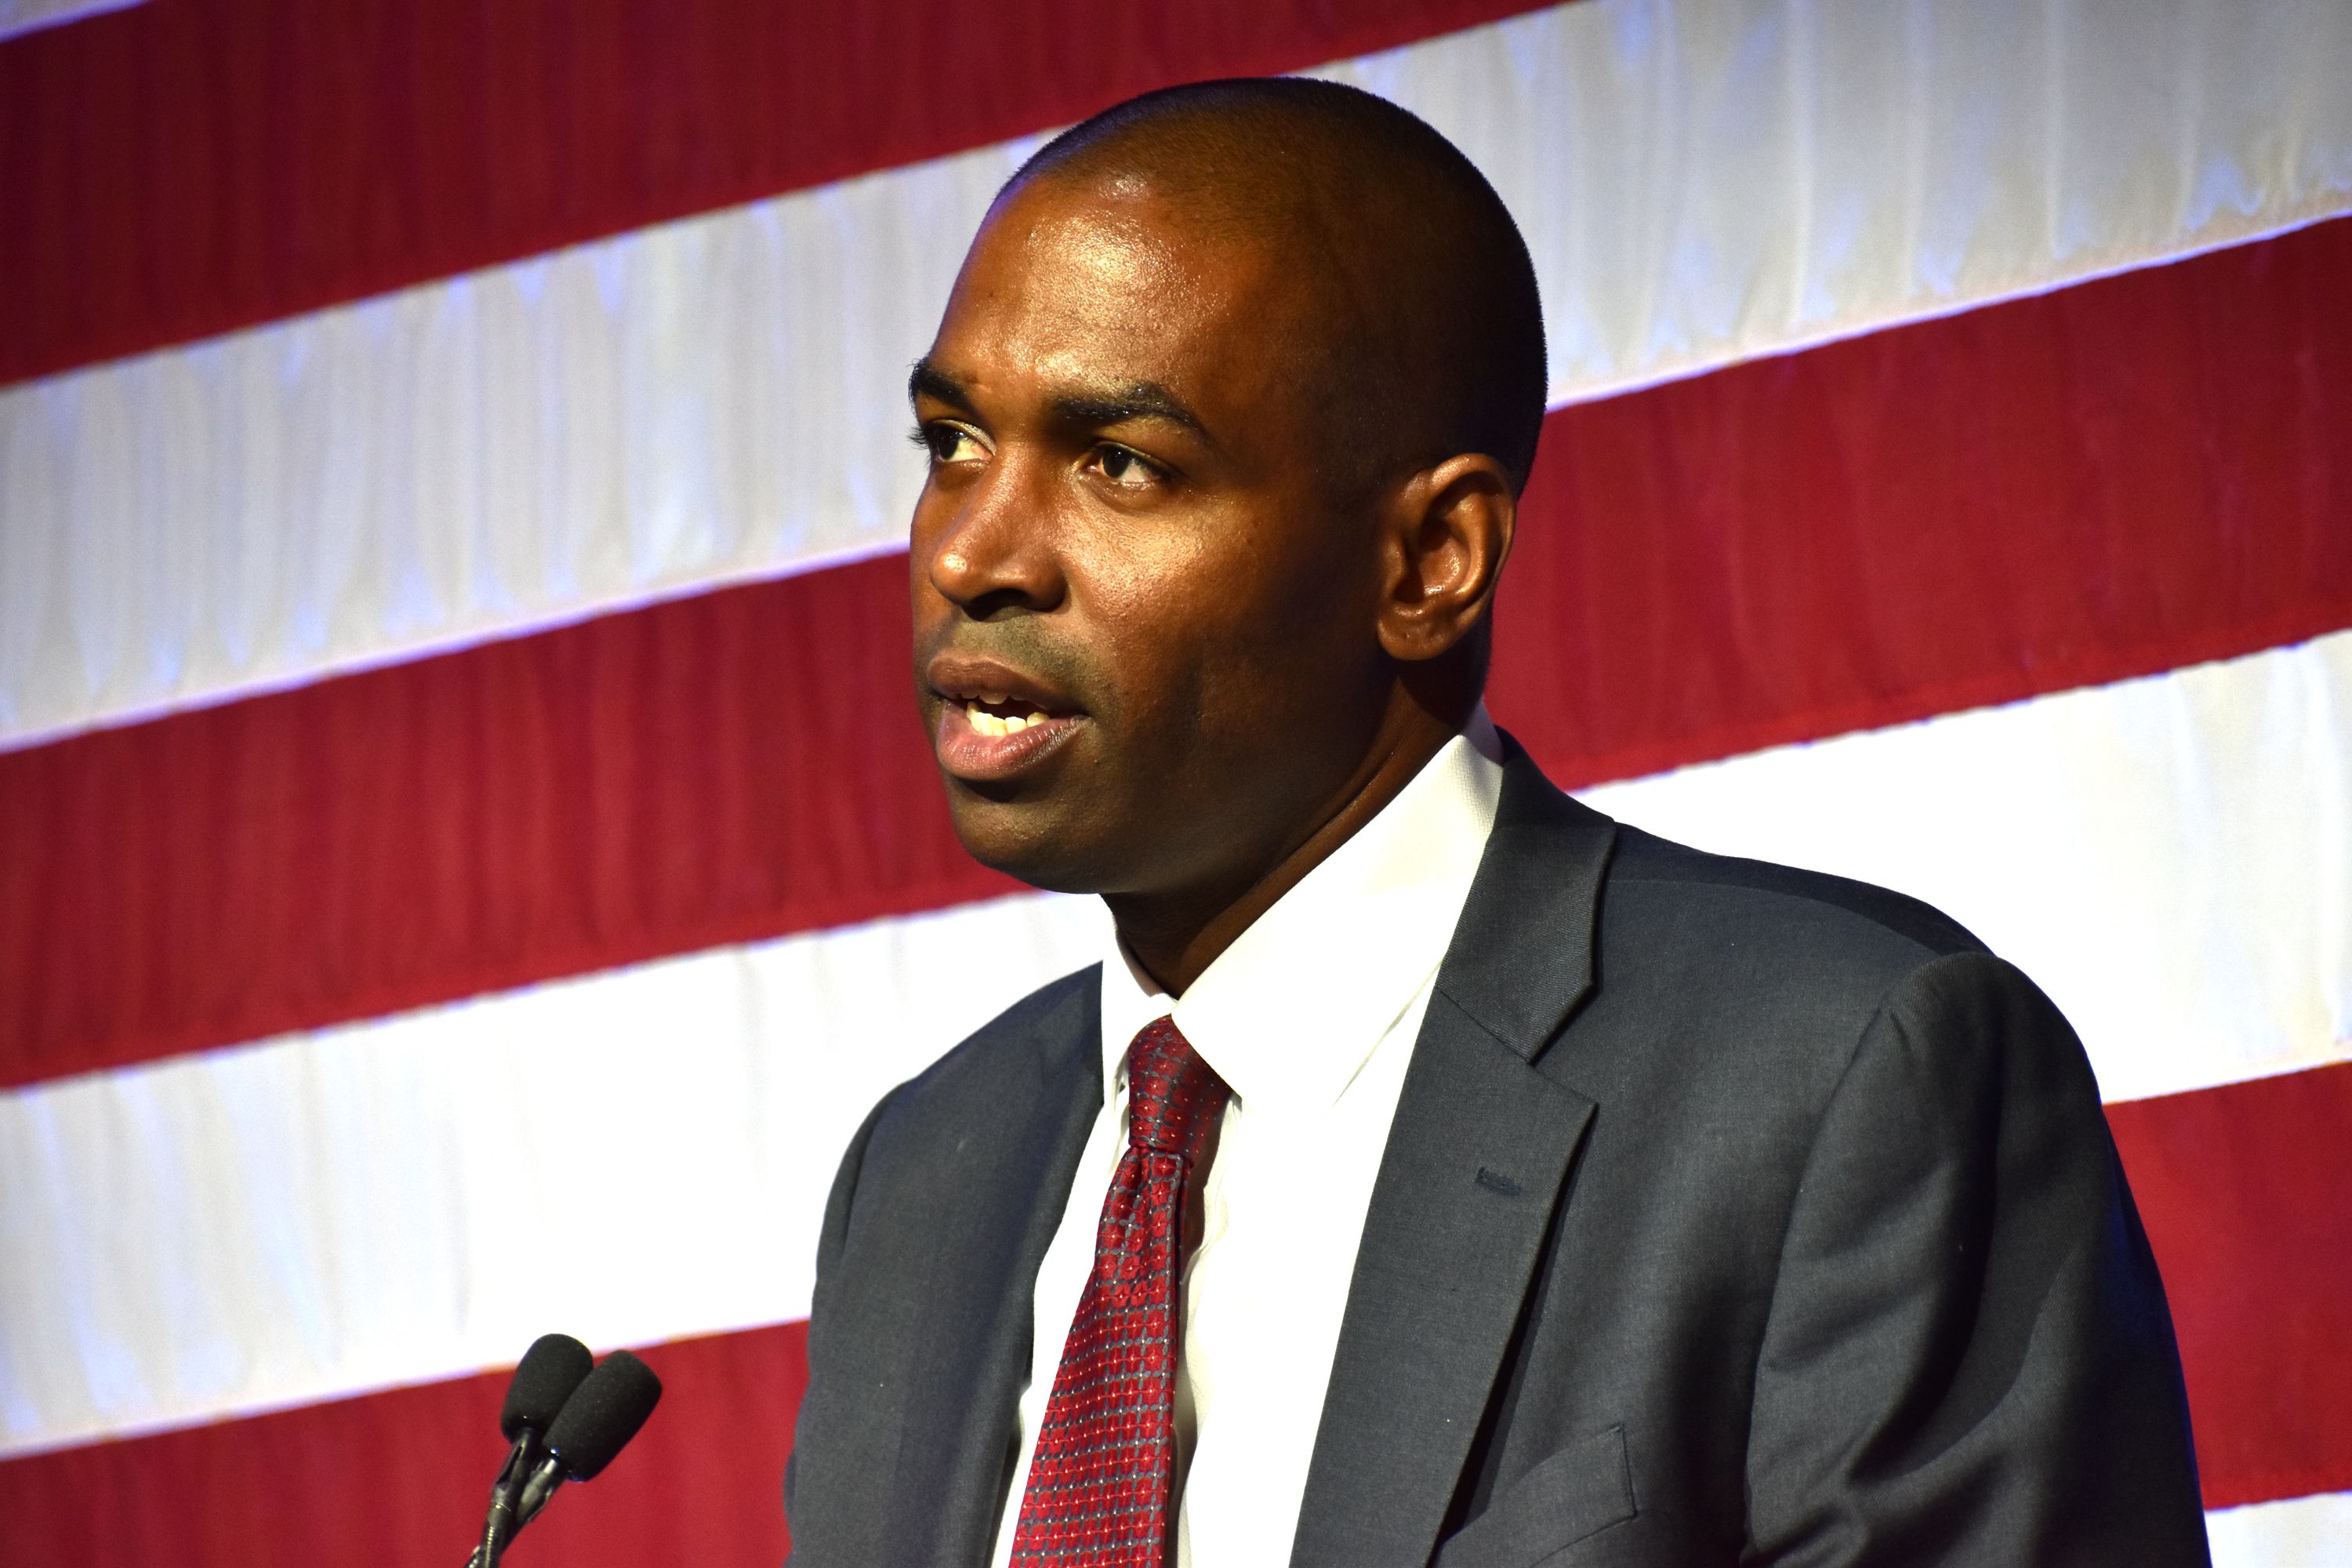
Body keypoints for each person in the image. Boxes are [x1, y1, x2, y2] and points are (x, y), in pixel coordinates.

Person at [782, 78, 2208, 1567]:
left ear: (1431, 561)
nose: (970, 550)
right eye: (951, 440)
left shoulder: (1847, 1082)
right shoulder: (924, 1181)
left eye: (1119, 462)